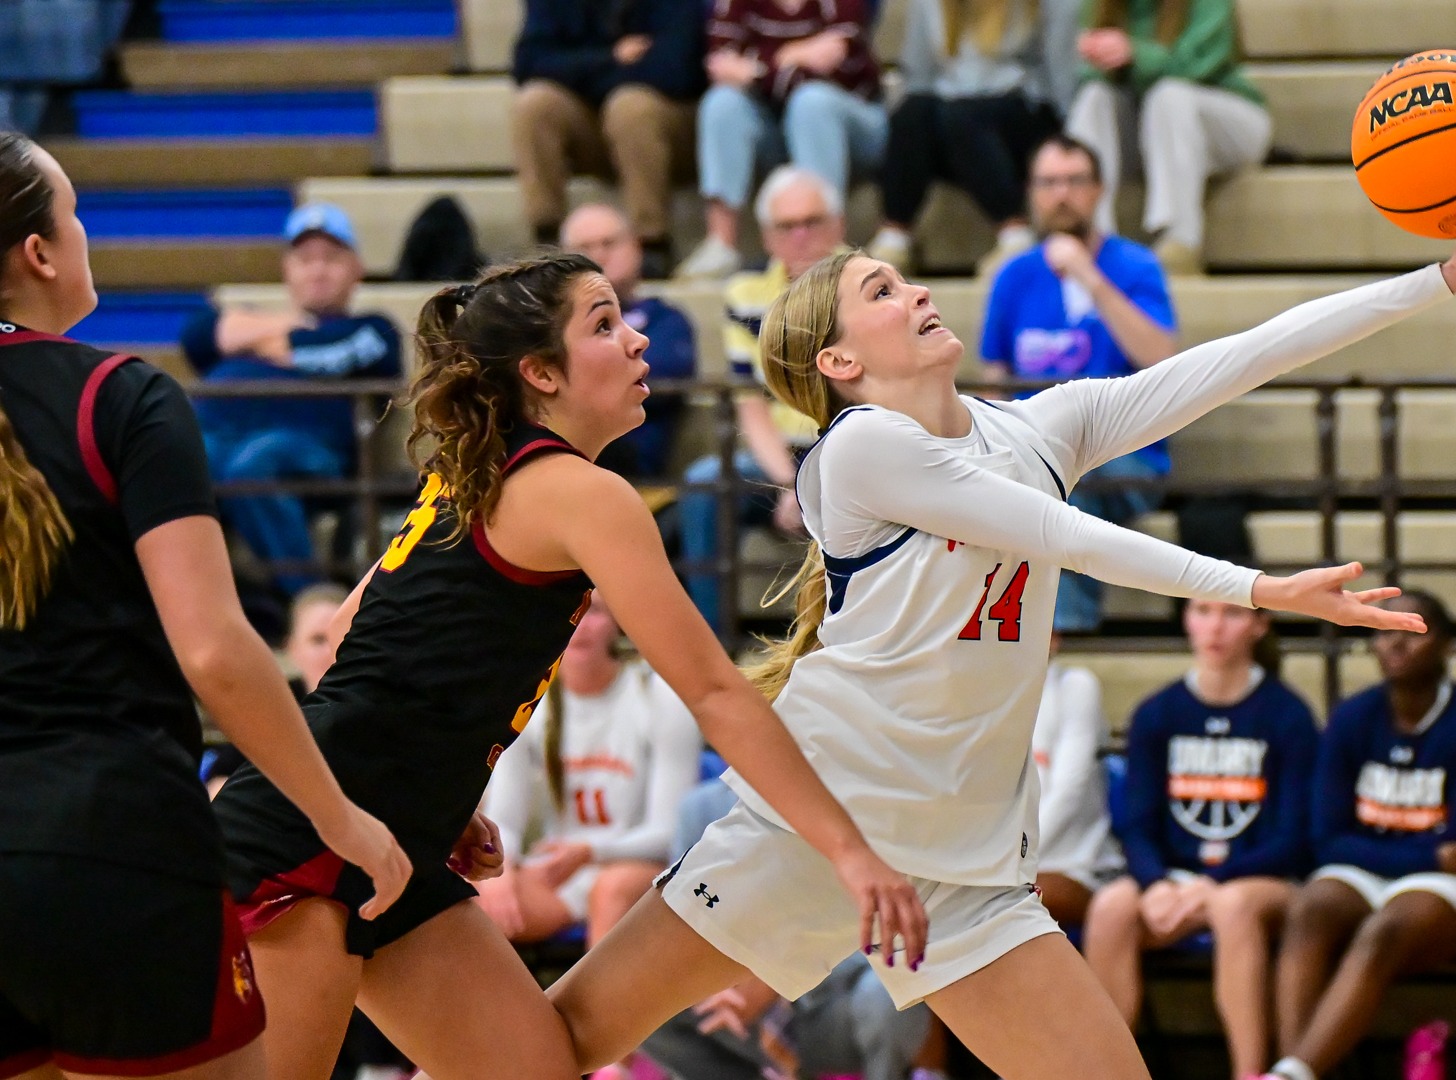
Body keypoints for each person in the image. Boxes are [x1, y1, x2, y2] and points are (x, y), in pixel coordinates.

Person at [536, 158, 1456, 1080]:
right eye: (881, 293)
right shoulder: (854, 452)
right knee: (561, 1042)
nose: (918, 291)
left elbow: (1242, 357)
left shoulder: (1037, 429)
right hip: (819, 827)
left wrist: (1444, 280)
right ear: (839, 364)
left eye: (905, 280)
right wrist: (1257, 589)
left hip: (965, 866)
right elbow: (1064, 537)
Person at [207, 252, 925, 1080]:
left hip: (394, 834)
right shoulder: (583, 494)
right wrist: (848, 849)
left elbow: (342, 635)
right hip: (306, 839)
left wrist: (439, 783)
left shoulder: (468, 478)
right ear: (542, 373)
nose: (637, 337)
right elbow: (716, 693)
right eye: (605, 323)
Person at [0, 132, 407, 1080]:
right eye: (76, 213)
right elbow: (216, 653)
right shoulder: (121, 396)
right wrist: (340, 819)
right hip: (109, 841)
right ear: (41, 253)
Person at [1269, 591, 1456, 1080]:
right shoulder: (1352, 717)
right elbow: (1326, 839)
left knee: (1384, 930)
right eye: (1383, 632)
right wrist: (1428, 855)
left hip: (1440, 887)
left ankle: (1289, 1074)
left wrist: (1412, 858)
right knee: (1308, 908)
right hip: (1391, 867)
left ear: (1446, 645)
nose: (1394, 643)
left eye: (1412, 630)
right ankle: (1291, 1070)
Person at [1084, 600, 1318, 1079]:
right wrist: (1155, 883)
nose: (1214, 627)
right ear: (1186, 619)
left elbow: (1294, 837)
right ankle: (1101, 1070)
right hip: (1176, 881)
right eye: (1202, 611)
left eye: (1231, 613)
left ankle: (1249, 1071)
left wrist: (1212, 883)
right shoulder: (1158, 712)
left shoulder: (1288, 715)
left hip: (1261, 880)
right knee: (1111, 905)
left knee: (1232, 905)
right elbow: (1138, 824)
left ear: (1259, 624)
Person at [979, 134, 1178, 633]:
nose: (1061, 194)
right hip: (1030, 450)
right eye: (1049, 183)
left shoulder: (1134, 267)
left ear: (1098, 191)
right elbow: (994, 382)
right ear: (1032, 193)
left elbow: (1162, 357)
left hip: (1123, 457)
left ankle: (1060, 639)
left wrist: (1090, 279)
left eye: (1074, 181)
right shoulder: (1013, 277)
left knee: (1064, 476)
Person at [179, 203, 403, 595]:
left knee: (254, 463)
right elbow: (198, 336)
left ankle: (311, 605)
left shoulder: (373, 329)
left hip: (310, 451)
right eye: (305, 259)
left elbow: (350, 351)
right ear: (287, 270)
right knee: (173, 460)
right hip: (218, 439)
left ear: (356, 269)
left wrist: (256, 337)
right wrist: (290, 330)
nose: (317, 270)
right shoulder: (273, 323)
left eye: (332, 259)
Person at [642, 782, 934, 1080]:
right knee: (645, 1002)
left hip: (828, 1004)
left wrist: (773, 978)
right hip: (735, 1004)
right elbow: (686, 917)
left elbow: (885, 933)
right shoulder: (698, 807)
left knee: (888, 993)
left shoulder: (843, 794)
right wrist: (715, 983)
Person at [477, 591, 704, 946]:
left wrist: (589, 852)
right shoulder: (528, 701)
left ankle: (599, 1003)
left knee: (610, 889)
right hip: (560, 870)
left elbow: (668, 832)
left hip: (636, 862)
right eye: (567, 612)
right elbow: (505, 818)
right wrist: (496, 870)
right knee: (469, 898)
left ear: (617, 622)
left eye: (593, 612)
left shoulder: (657, 695)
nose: (578, 625)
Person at [680, 167, 846, 632]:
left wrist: (813, 481)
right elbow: (749, 402)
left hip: (850, 446)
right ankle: (711, 644)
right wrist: (789, 482)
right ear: (768, 237)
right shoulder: (745, 293)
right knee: (705, 485)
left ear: (839, 226)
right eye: (785, 227)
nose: (800, 237)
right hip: (777, 455)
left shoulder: (867, 286)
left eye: (812, 222)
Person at [867, 0, 1080, 277]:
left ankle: (1015, 235)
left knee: (962, 115)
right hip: (951, 117)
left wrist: (1068, 144)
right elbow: (917, 75)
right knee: (912, 112)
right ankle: (895, 238)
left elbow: (1061, 72)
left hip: (1023, 112)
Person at [675, 0, 885, 279]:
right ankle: (721, 243)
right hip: (773, 122)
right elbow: (721, 65)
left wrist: (759, 68)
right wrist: (789, 58)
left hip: (854, 122)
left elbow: (835, 62)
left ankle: (827, 246)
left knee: (811, 101)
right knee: (722, 102)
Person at [1064, 0, 1271, 275]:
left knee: (1168, 95)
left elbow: (1199, 65)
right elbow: (1081, 79)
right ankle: (1088, 235)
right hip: (1145, 129)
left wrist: (1134, 53)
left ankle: (1180, 240)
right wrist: (1095, 57)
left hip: (1228, 118)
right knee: (1094, 98)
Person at [510, 0, 706, 268]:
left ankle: (651, 241)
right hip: (593, 122)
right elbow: (528, 63)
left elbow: (676, 71)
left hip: (670, 127)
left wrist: (581, 72)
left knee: (629, 106)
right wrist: (611, 58)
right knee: (534, 103)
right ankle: (546, 240)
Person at [560, 203, 698, 481]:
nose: (598, 256)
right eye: (585, 247)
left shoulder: (667, 320)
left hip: (632, 467)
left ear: (636, 247)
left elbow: (662, 367)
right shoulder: (549, 324)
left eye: (609, 243)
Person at [203, 582, 351, 796]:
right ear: (292, 649)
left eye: (342, 638)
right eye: (318, 640)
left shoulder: (381, 704)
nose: (331, 652)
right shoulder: (269, 706)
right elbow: (218, 784)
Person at [1031, 633, 1126, 927]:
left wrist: (1003, 863)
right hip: (998, 868)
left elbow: (1068, 793)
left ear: (1053, 638)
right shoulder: (975, 695)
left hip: (1075, 866)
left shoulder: (1074, 686)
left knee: (987, 904)